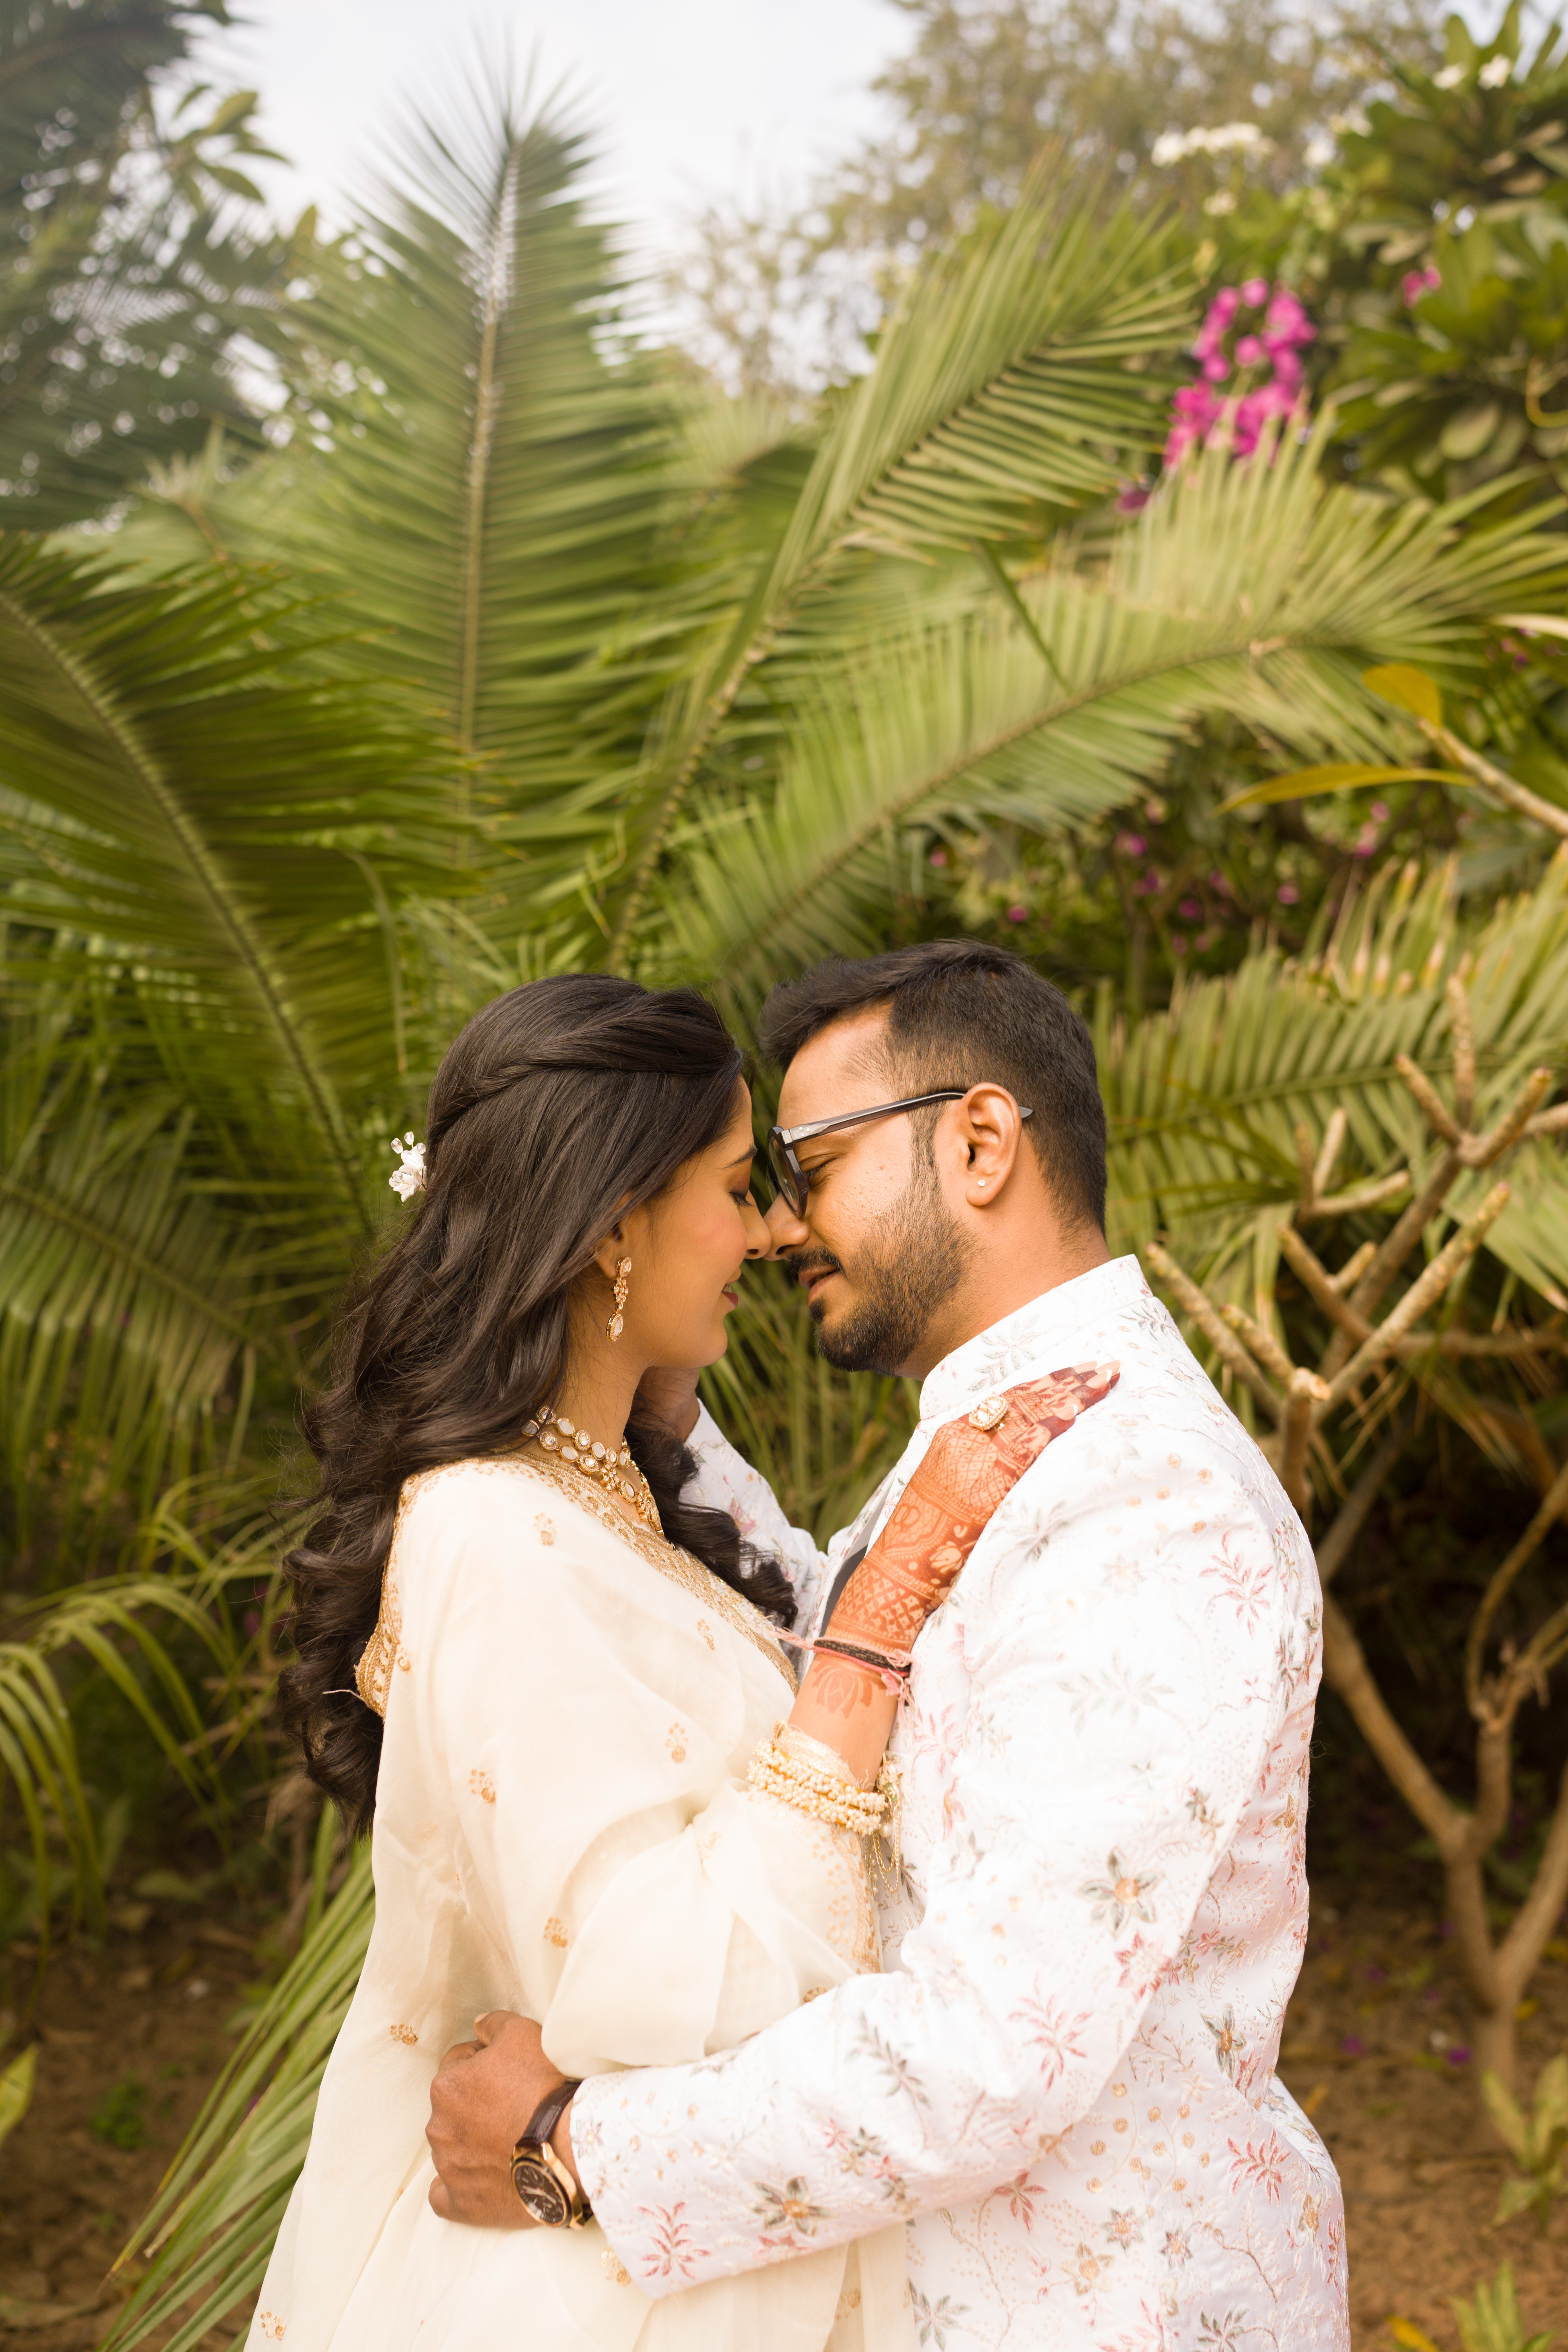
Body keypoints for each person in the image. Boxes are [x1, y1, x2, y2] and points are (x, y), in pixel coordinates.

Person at [427, 939, 1350, 2350]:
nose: (781, 1229)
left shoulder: (1151, 1501)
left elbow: (994, 2050)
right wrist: (645, 1409)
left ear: (981, 1144)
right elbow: (871, 1676)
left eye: (812, 1167)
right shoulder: (1023, 1436)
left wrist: (576, 2147)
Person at [248, 971, 1083, 2352]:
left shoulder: (599, 1505)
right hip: (604, 2284)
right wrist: (866, 1654)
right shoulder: (490, 1529)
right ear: (611, 1225)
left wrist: (667, 1418)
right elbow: (641, 1977)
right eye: (736, 1186)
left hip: (694, 2246)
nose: (768, 1232)